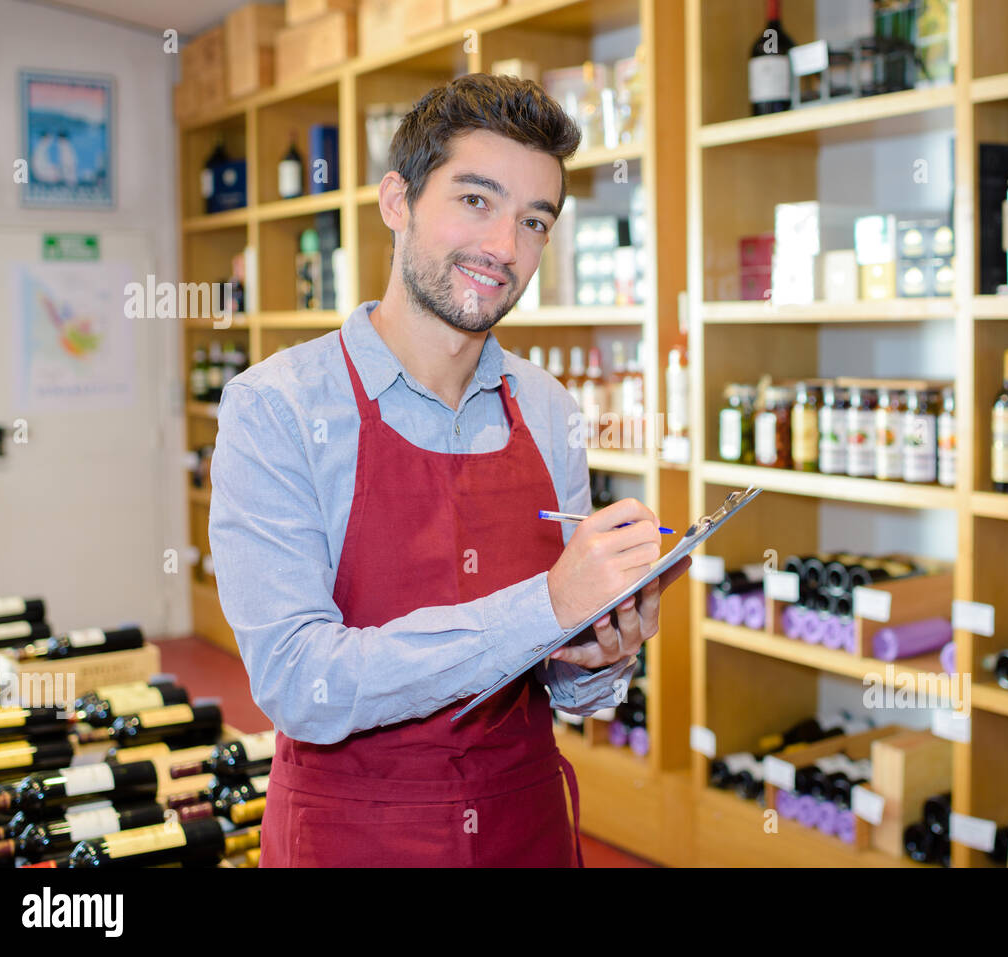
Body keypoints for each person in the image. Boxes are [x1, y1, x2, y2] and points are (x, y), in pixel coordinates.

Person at [208, 73, 687, 867]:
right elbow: (299, 681)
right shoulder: (277, 407)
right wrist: (547, 603)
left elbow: (561, 687)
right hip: (353, 837)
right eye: (476, 200)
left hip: (524, 827)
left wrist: (602, 650)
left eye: (535, 220)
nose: (505, 247)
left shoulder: (548, 408)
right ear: (397, 200)